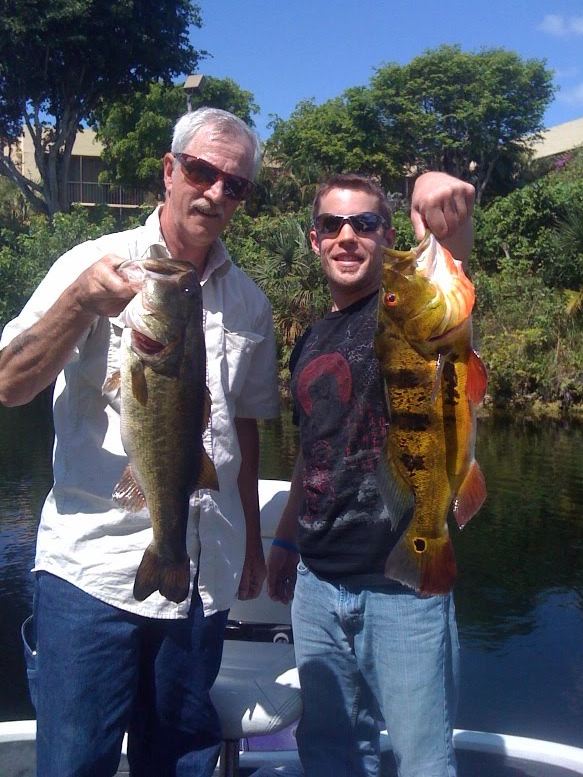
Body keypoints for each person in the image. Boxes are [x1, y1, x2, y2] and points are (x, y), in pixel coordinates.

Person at [0, 107, 280, 777]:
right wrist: (79, 305)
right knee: (74, 763)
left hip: (200, 583)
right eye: (201, 171)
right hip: (88, 576)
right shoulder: (93, 266)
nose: (214, 192)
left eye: (234, 184)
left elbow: (243, 431)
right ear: (169, 170)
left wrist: (252, 543)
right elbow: (9, 383)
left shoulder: (250, 304)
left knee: (181, 760)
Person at [266, 171, 476, 777]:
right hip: (316, 586)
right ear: (314, 240)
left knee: (422, 761)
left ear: (386, 236)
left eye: (365, 224)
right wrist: (284, 542)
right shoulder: (307, 339)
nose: (348, 237)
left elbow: (449, 250)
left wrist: (434, 194)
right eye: (333, 225)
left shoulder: (409, 313)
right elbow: (313, 447)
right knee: (330, 755)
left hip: (402, 590)